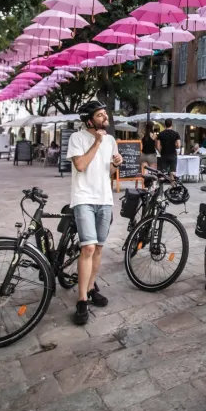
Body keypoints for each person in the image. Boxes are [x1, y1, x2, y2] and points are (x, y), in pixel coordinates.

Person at [66, 101, 123, 326]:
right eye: (100, 115)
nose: (105, 119)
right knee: (88, 247)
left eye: (105, 114)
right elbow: (80, 165)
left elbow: (107, 171)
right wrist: (97, 143)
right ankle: (81, 300)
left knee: (98, 247)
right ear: (89, 120)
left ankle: (90, 288)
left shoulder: (111, 140)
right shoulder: (77, 138)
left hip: (104, 199)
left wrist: (116, 165)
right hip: (84, 199)